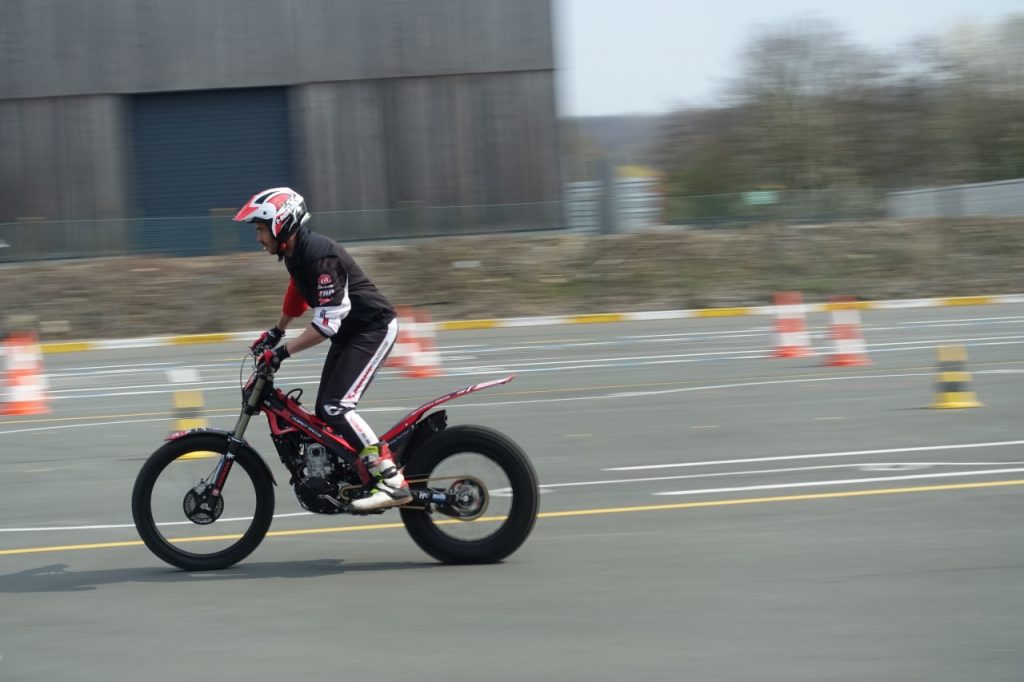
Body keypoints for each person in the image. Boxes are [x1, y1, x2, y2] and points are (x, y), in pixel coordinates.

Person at [233, 187, 411, 512]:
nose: (258, 237)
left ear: (280, 224)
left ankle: (391, 480)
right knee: (325, 410)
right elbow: (298, 293)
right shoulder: (296, 254)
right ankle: (354, 472)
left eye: (260, 228)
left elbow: (326, 324)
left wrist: (282, 353)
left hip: (373, 328)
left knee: (336, 408)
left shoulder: (320, 255)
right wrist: (276, 331)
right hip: (351, 334)